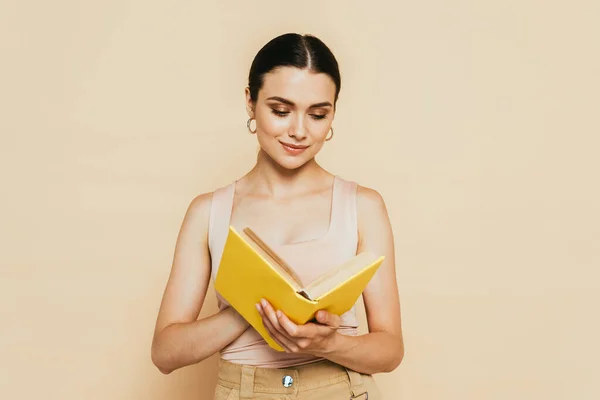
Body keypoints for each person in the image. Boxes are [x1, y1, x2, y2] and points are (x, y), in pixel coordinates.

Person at [150, 32, 404, 399]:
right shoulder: (208, 212)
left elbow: (391, 349)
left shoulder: (363, 206)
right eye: (281, 111)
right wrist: (257, 308)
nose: (299, 131)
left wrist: (326, 344)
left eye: (318, 114)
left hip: (340, 389)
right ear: (250, 102)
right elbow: (164, 353)